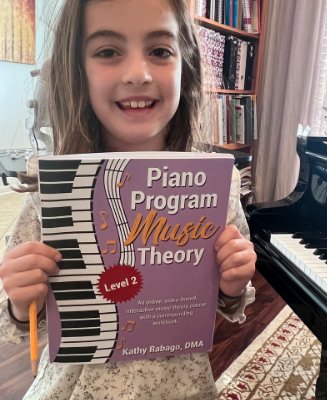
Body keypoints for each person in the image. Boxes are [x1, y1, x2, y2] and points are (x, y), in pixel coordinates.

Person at [0, 0, 256, 399]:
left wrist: (233, 283)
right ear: (77, 70)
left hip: (181, 387)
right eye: (107, 52)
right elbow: (22, 323)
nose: (138, 74)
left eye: (159, 51)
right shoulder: (52, 195)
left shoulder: (216, 187)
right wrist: (21, 299)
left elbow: (229, 302)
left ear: (184, 65)